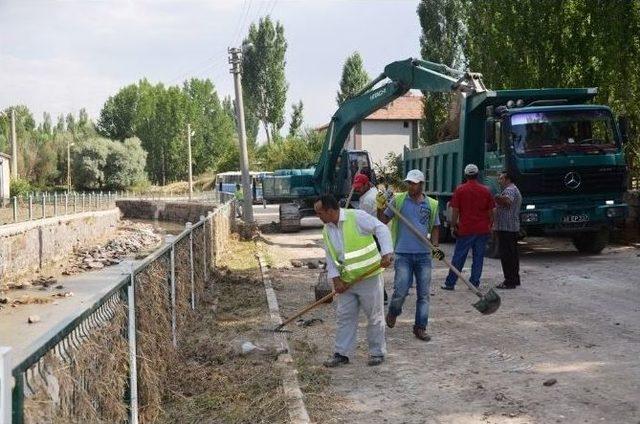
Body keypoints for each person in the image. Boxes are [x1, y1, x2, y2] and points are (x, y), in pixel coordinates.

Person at [315, 194, 394, 367]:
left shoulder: (356, 217)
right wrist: (336, 281)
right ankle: (341, 353)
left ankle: (377, 352)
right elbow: (331, 257)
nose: (318, 217)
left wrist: (386, 252)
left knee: (374, 316)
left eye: (320, 213)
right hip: (347, 282)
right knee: (344, 317)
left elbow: (381, 228)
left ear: (330, 210)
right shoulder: (327, 229)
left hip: (369, 278)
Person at [376, 169, 444, 342]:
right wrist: (380, 206)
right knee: (400, 290)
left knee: (424, 294)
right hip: (403, 254)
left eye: (414, 183)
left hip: (423, 255)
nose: (410, 186)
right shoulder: (398, 200)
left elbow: (435, 227)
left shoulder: (431, 204)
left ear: (421, 184)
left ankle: (420, 327)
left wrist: (435, 246)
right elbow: (382, 221)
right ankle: (393, 311)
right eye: (409, 183)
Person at [441, 164, 495, 290]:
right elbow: (491, 211)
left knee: (459, 257)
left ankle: (450, 283)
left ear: (465, 175)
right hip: (482, 229)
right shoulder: (486, 190)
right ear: (477, 175)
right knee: (478, 257)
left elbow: (455, 211)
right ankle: (474, 283)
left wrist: (453, 226)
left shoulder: (460, 190)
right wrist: (490, 225)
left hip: (465, 229)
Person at [352, 172, 389, 305]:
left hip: (372, 236)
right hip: (375, 234)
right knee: (372, 265)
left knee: (371, 265)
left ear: (367, 185)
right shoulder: (372, 193)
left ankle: (381, 295)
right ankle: (379, 294)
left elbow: (362, 222)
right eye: (355, 187)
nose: (357, 189)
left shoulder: (368, 200)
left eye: (359, 187)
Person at [494, 171, 522, 289]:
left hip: (507, 228)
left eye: (501, 179)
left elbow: (507, 201)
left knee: (507, 256)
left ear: (508, 179)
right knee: (513, 255)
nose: (499, 181)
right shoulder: (514, 189)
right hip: (512, 227)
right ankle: (514, 279)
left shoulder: (510, 190)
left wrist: (496, 198)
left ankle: (509, 281)